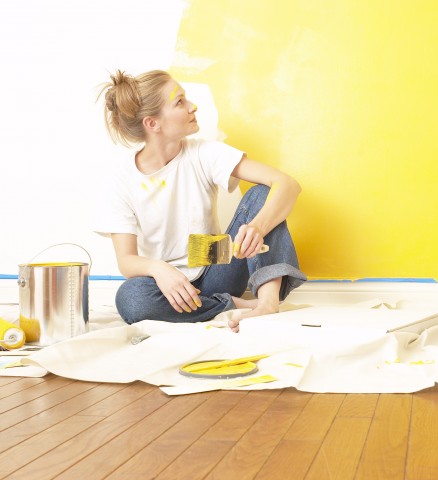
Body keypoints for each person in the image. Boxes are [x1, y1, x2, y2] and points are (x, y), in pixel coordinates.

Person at [94, 69, 306, 332]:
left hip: (214, 260)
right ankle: (229, 304)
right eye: (180, 102)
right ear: (153, 124)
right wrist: (159, 269)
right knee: (130, 298)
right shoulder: (121, 179)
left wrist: (257, 227)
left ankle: (266, 304)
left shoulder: (202, 152)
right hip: (167, 282)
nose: (193, 106)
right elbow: (127, 261)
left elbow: (287, 185)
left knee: (261, 194)